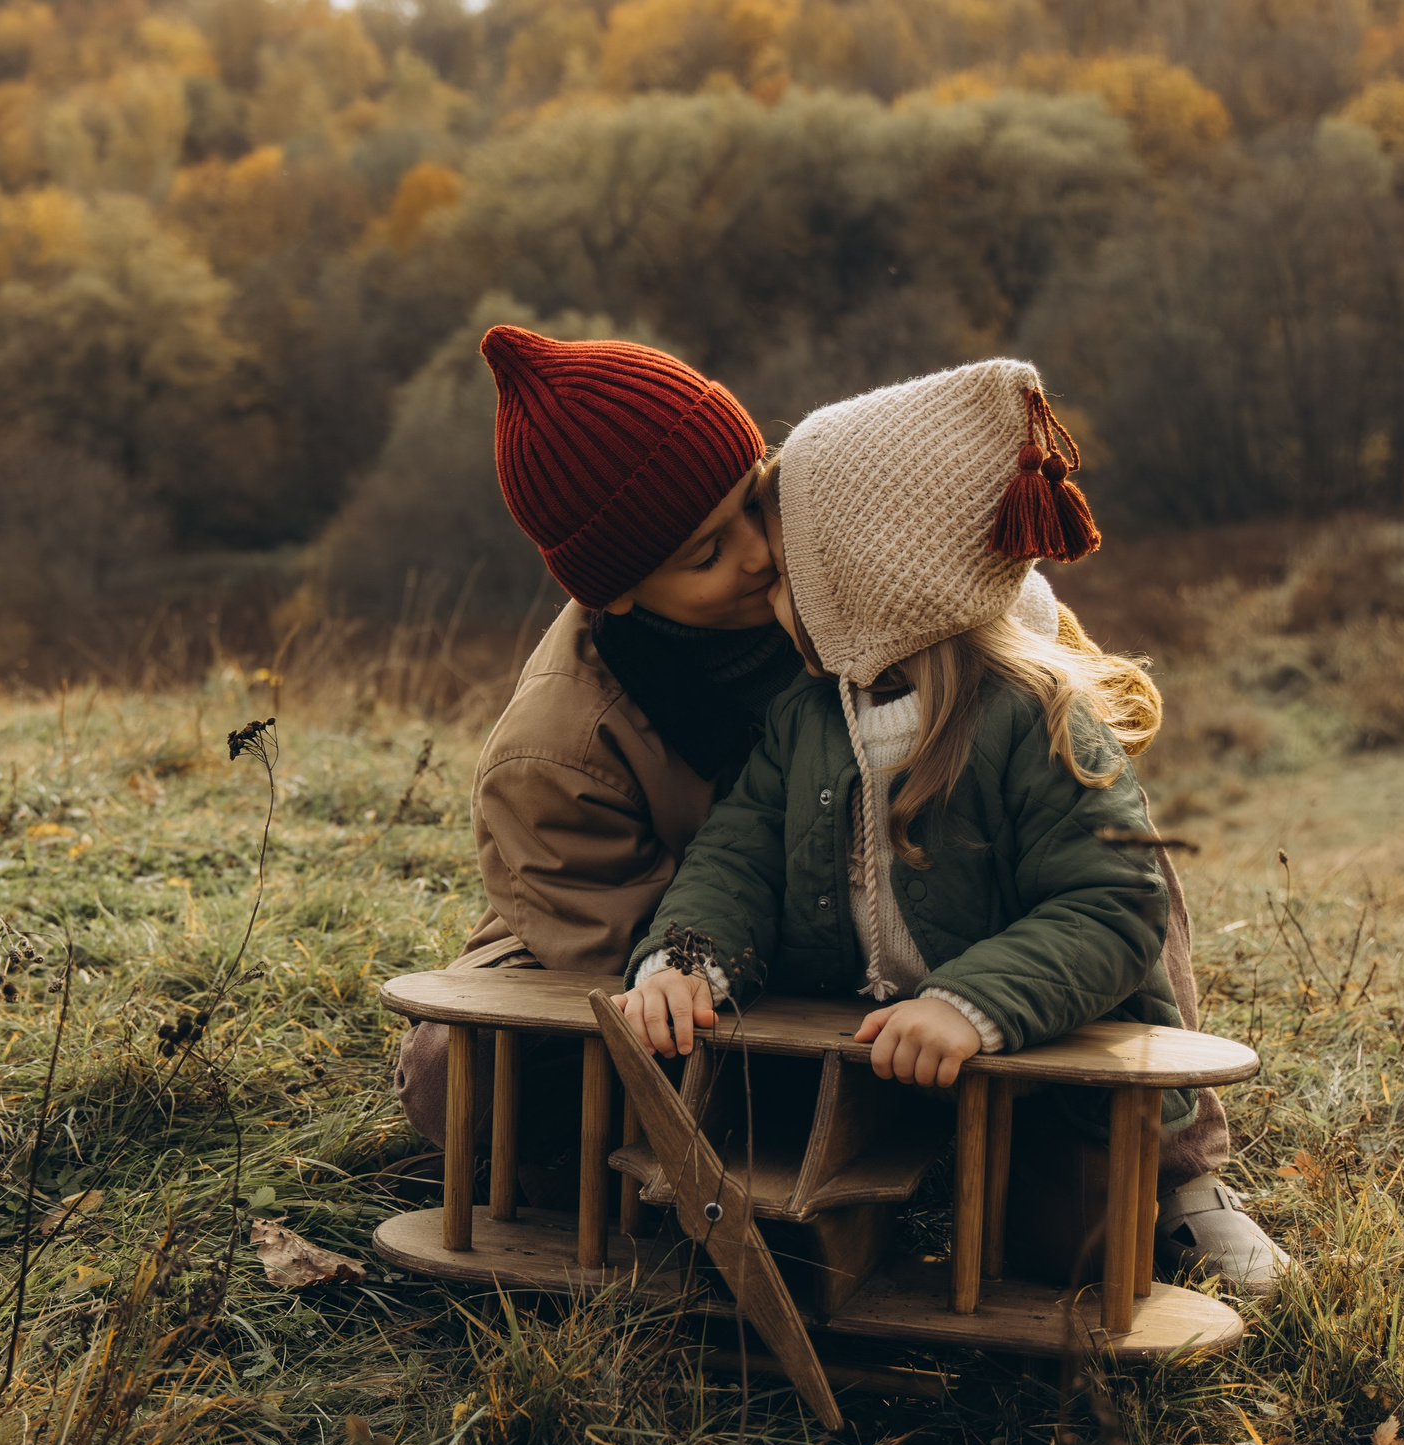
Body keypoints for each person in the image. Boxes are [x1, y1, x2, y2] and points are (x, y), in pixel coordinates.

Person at [394, 327, 1282, 1293]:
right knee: (461, 1071)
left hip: (947, 931)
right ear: (621, 595)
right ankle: (682, 1173)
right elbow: (665, 908)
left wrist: (972, 979)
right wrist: (691, 961)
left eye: (754, 503)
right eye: (705, 553)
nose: (757, 556)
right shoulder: (557, 745)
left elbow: (1075, 799)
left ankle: (1180, 1175)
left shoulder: (865, 568)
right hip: (728, 982)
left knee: (1120, 855)